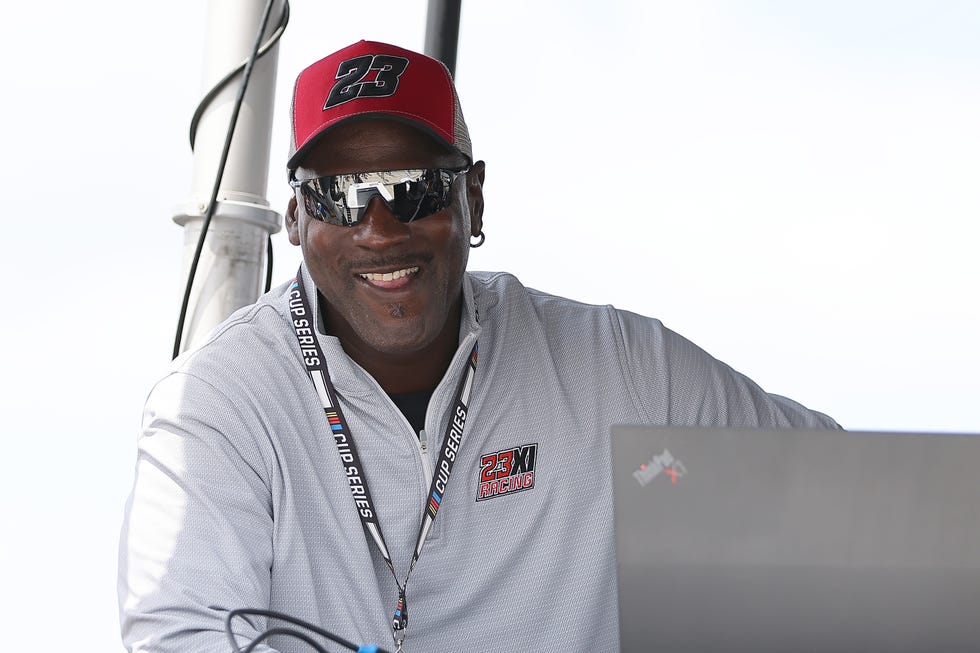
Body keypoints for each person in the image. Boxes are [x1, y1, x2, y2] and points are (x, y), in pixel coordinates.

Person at [118, 39, 838, 653]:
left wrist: (677, 495)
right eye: (342, 193)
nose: (379, 227)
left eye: (416, 188)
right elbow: (182, 632)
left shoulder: (618, 366)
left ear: (475, 200)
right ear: (299, 219)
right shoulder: (219, 402)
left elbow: (835, 487)